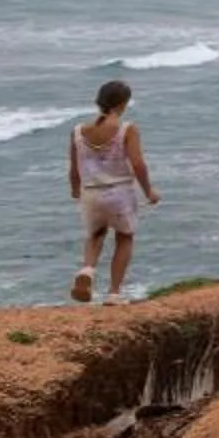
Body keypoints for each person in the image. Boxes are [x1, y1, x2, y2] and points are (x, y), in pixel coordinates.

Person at [67, 80, 160, 304]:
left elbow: (73, 168)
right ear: (122, 104)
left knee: (95, 236)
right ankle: (114, 293)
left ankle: (87, 270)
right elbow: (138, 164)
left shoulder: (78, 132)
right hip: (119, 192)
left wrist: (75, 191)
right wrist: (149, 191)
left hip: (91, 193)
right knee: (124, 237)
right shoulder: (127, 129)